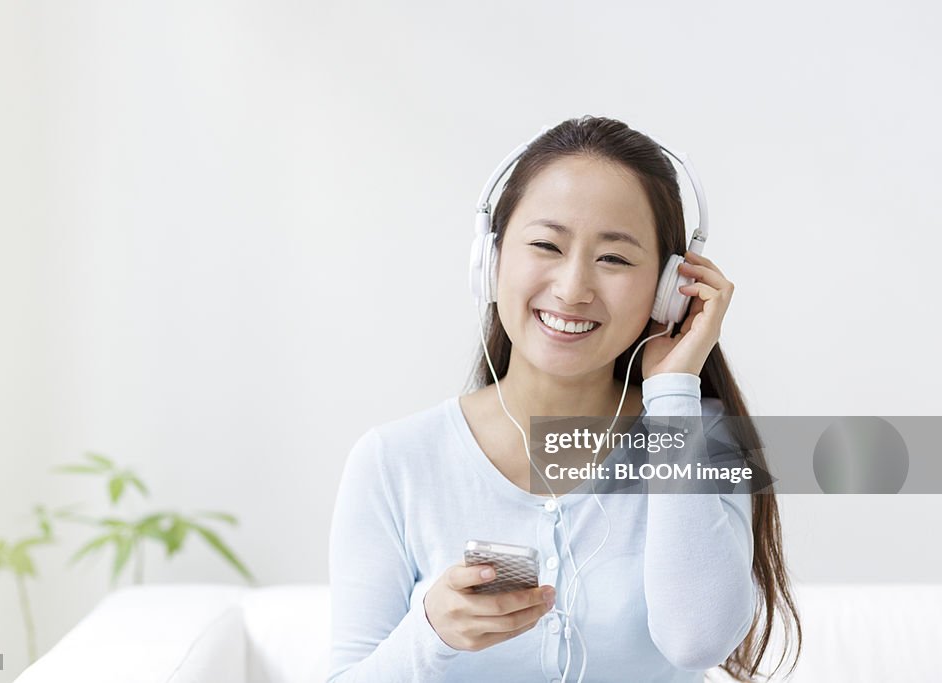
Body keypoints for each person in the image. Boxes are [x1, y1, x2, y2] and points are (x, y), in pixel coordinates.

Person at [327, 116, 801, 682]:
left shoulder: (707, 441)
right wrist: (431, 633)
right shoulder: (394, 461)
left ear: (670, 289)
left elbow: (694, 639)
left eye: (615, 259)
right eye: (546, 245)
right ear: (491, 259)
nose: (573, 289)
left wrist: (674, 391)